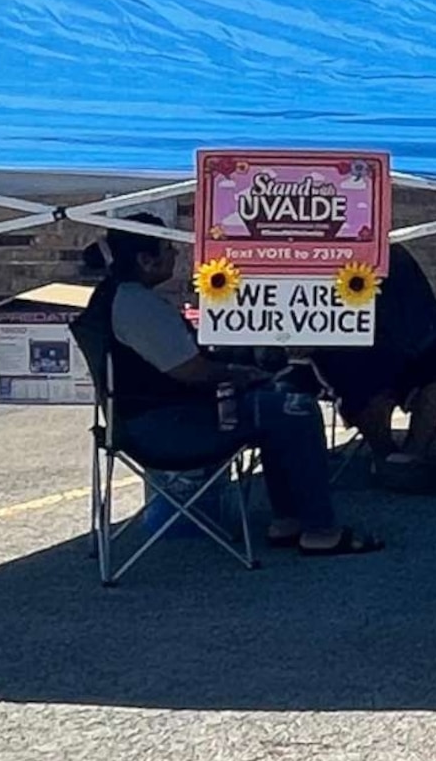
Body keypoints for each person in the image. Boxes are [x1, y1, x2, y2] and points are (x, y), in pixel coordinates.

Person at [82, 233, 380, 557]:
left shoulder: (111, 298)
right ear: (144, 260)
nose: (176, 254)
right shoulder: (137, 304)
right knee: (297, 409)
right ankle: (321, 530)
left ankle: (288, 520)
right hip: (168, 428)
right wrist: (238, 374)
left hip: (136, 423)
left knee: (277, 405)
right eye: (168, 249)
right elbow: (192, 372)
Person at [312, 243, 436, 487]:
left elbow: (425, 317)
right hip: (342, 345)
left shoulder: (392, 254)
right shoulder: (298, 256)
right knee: (357, 371)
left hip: (409, 341)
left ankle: (414, 453)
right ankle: (384, 454)